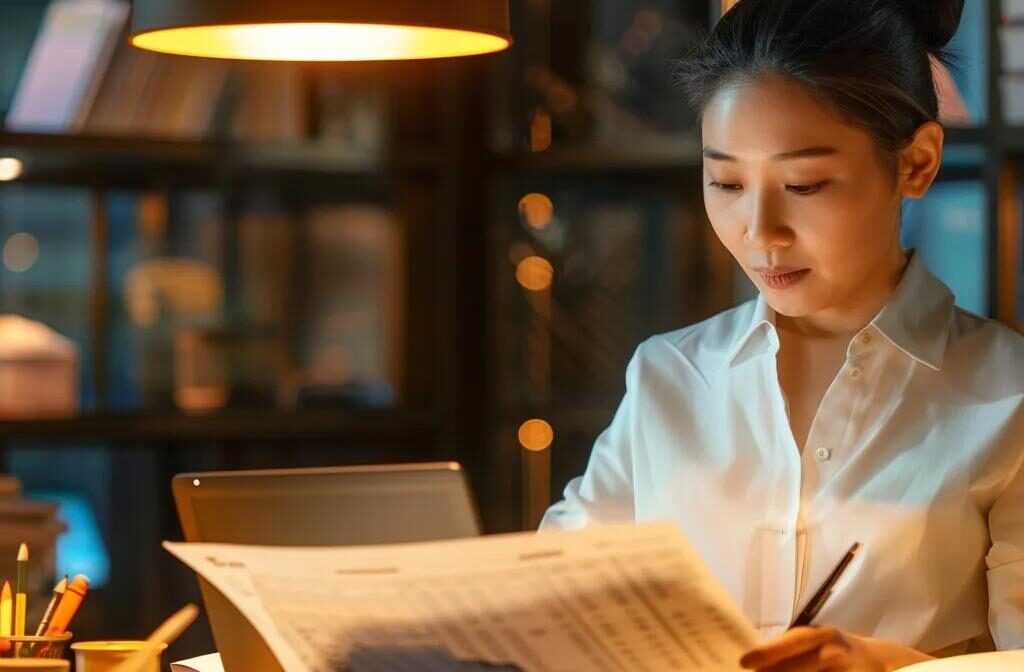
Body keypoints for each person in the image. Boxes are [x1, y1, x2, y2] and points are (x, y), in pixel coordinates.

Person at [538, 0, 1024, 669]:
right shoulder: (670, 376)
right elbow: (554, 594)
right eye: (726, 181)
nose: (760, 231)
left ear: (916, 163)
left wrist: (888, 666)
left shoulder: (1009, 396)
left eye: (804, 183)